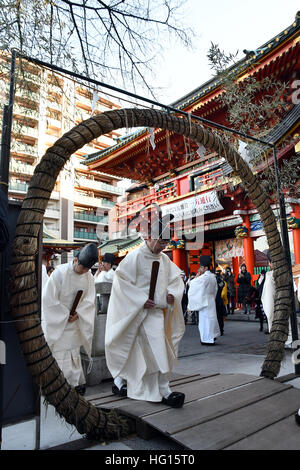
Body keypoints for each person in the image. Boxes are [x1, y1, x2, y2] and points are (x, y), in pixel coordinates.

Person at [105, 214, 186, 408]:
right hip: (139, 314)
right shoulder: (134, 256)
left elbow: (176, 280)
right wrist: (141, 300)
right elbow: (121, 282)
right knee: (148, 351)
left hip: (157, 313)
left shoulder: (164, 260)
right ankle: (157, 389)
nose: (162, 247)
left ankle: (156, 387)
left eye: (166, 243)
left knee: (157, 350)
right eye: (160, 242)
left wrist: (172, 295)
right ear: (149, 237)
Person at [42, 243, 98, 395]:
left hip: (74, 322)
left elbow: (89, 300)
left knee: (74, 353)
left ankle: (76, 383)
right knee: (59, 354)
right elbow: (49, 300)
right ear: (75, 260)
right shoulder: (59, 273)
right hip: (59, 323)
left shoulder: (88, 277)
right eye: (83, 267)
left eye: (87, 269)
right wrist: (65, 315)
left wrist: (78, 313)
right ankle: (58, 385)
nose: (84, 271)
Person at [187, 256, 220, 345]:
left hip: (205, 301)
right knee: (211, 319)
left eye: (201, 267)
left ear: (205, 268)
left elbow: (192, 283)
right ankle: (211, 337)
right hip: (211, 300)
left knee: (205, 321)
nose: (200, 269)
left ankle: (207, 339)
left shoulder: (205, 277)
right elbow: (215, 289)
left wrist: (196, 276)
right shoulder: (212, 276)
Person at [215, 271, 226, 336]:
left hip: (217, 300)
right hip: (218, 300)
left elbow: (222, 285)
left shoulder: (219, 282)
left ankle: (220, 329)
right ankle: (220, 329)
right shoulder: (220, 283)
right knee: (219, 316)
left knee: (219, 316)